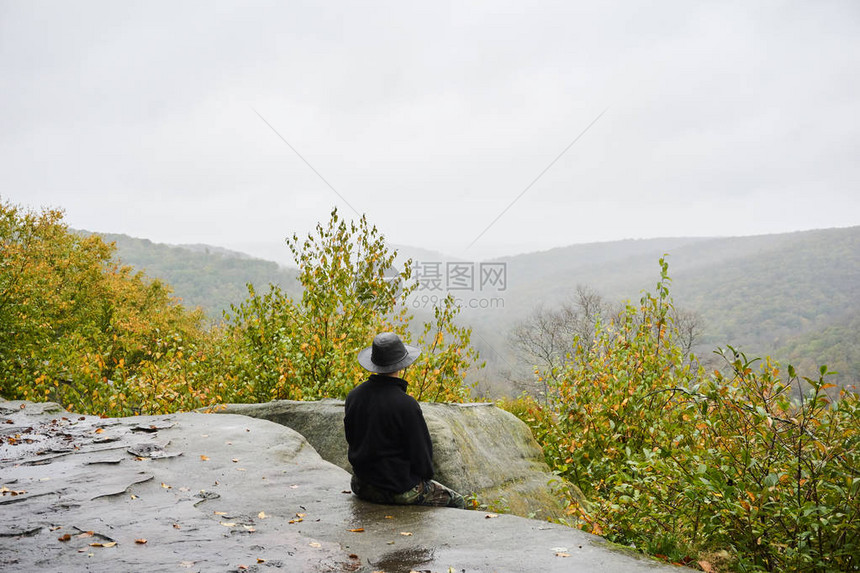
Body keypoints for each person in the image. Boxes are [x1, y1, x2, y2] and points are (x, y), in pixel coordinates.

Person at [343, 332, 466, 509]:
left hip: (361, 486)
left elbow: (352, 439)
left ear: (374, 362)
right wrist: (422, 478)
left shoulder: (354, 396)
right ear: (402, 364)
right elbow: (422, 457)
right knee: (459, 501)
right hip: (398, 489)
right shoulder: (406, 405)